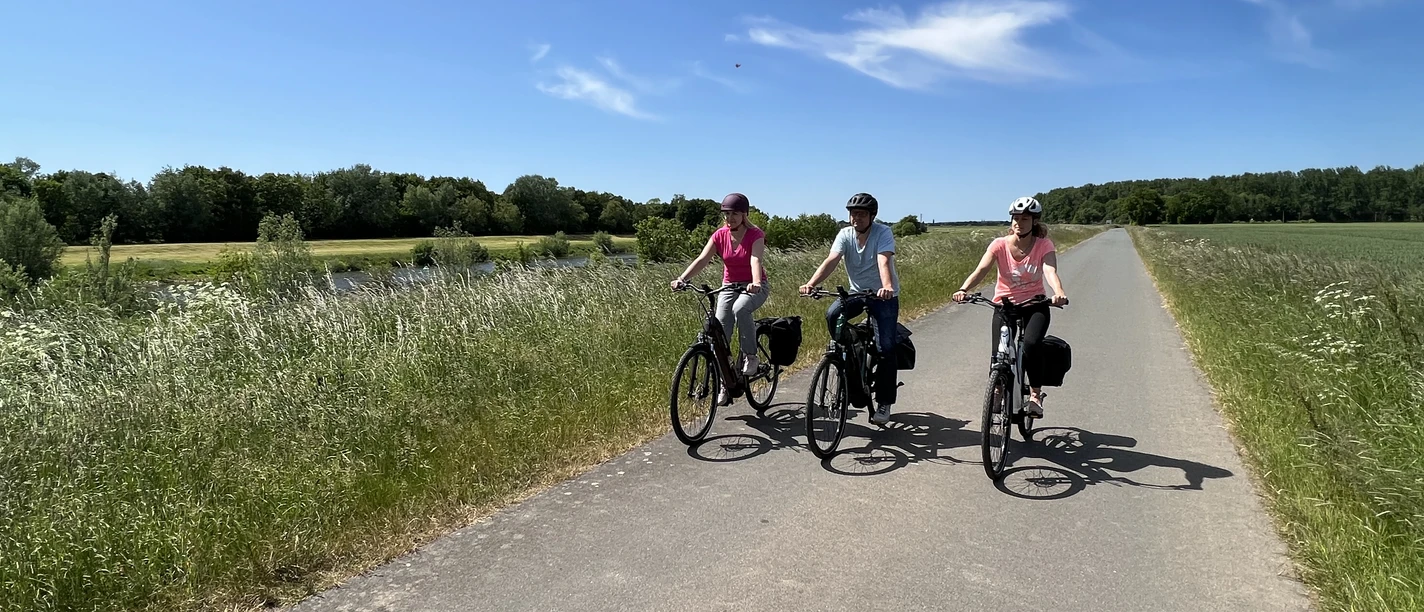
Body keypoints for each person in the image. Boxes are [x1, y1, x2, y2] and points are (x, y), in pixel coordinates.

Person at [952, 196, 1069, 418]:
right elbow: (981, 270)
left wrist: (1058, 293)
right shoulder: (999, 245)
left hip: (1035, 305)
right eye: (1015, 217)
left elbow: (1049, 271)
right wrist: (963, 289)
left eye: (1025, 218)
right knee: (999, 353)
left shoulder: (1044, 245)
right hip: (1004, 305)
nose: (1018, 222)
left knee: (1032, 345)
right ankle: (997, 390)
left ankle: (1035, 395)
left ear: (1034, 221)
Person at [798, 193, 902, 426]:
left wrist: (886, 287)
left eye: (862, 214)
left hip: (882, 296)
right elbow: (831, 260)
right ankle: (851, 352)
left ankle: (885, 402)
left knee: (886, 348)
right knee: (832, 314)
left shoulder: (883, 233)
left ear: (872, 216)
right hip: (856, 292)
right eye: (853, 214)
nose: (856, 218)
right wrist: (811, 283)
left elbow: (883, 261)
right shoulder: (845, 235)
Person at [671, 192, 769, 405]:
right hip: (729, 286)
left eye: (735, 213)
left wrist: (756, 282)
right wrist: (682, 278)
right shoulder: (719, 235)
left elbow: (755, 259)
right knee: (720, 329)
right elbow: (702, 259)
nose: (730, 218)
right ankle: (726, 380)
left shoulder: (755, 234)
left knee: (741, 308)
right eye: (726, 213)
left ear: (745, 214)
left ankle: (751, 356)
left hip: (754, 286)